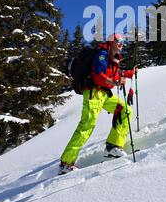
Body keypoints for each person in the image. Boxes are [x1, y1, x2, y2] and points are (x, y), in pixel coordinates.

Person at [59, 33, 137, 174]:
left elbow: (114, 75)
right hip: (93, 94)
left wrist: (128, 73)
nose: (122, 44)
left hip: (105, 95)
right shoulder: (101, 54)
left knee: (125, 111)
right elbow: (98, 75)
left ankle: (114, 145)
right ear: (111, 42)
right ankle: (66, 163)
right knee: (86, 126)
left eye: (123, 42)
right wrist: (115, 82)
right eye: (119, 41)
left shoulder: (113, 59)